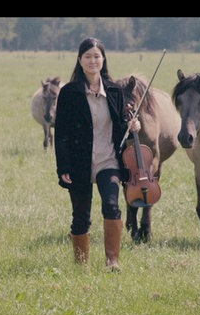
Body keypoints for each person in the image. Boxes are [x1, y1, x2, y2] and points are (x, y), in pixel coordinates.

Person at [54, 37, 140, 271]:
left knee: (111, 205)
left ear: (103, 60)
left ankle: (112, 261)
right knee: (80, 216)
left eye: (97, 56)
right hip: (78, 163)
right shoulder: (69, 93)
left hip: (108, 160)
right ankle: (81, 266)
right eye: (88, 56)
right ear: (80, 60)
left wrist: (133, 128)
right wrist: (63, 168)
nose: (93, 61)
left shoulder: (114, 91)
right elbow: (60, 134)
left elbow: (121, 128)